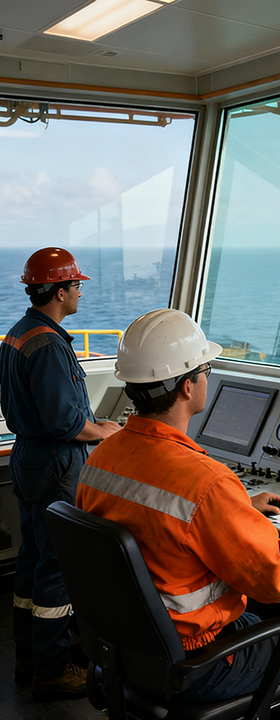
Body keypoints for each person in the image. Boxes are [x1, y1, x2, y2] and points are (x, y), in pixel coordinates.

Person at [76, 308, 280, 720]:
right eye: (205, 370)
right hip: (196, 661)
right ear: (187, 386)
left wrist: (237, 508)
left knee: (270, 614)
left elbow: (154, 520)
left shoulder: (101, 457)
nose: (206, 378)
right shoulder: (205, 482)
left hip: (127, 648)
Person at [0, 247, 121, 701]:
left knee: (32, 560)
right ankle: (52, 670)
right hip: (56, 462)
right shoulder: (50, 344)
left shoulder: (19, 333)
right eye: (75, 285)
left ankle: (28, 657)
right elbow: (64, 422)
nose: (80, 293)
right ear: (58, 291)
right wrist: (103, 432)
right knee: (57, 567)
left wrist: (91, 425)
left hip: (29, 457)